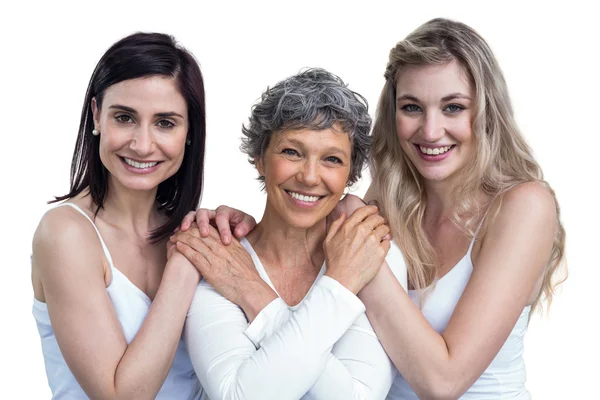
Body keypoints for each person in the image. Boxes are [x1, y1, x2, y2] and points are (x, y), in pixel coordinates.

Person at [185, 18, 566, 399]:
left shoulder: (522, 207)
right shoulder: (385, 207)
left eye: (453, 107)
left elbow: (443, 383)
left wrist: (253, 290)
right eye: (412, 107)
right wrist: (235, 225)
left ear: (486, 111)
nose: (431, 131)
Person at [171, 68, 406, 400]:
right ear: (260, 159)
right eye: (292, 152)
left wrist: (253, 293)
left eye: (332, 159)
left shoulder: (371, 250)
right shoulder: (217, 252)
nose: (310, 177)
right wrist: (340, 289)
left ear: (350, 176)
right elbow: (240, 395)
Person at [31, 32, 206, 399]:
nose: (142, 145)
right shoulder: (66, 233)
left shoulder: (190, 229)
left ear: (190, 130)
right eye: (125, 117)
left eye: (165, 123)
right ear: (97, 115)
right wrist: (183, 268)